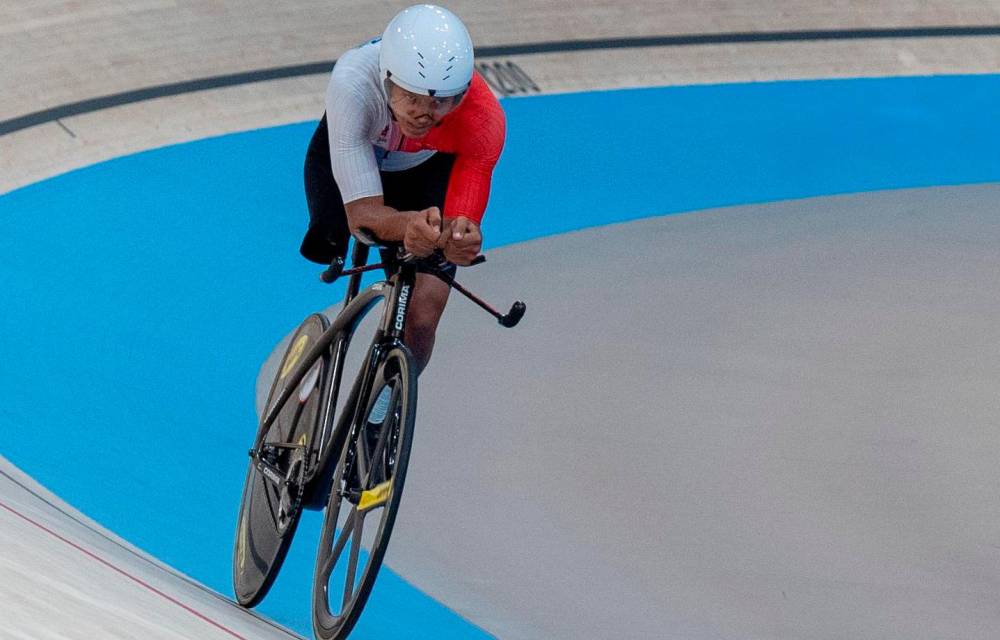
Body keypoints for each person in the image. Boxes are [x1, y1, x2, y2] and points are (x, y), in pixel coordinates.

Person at [301, 4, 506, 376]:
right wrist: (409, 225)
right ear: (386, 79)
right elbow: (362, 213)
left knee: (425, 311)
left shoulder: (482, 118)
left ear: (460, 96)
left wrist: (460, 237)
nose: (423, 114)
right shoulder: (354, 82)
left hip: (422, 171)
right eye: (411, 97)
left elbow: (462, 220)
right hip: (350, 157)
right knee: (333, 238)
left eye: (440, 102)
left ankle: (381, 416)